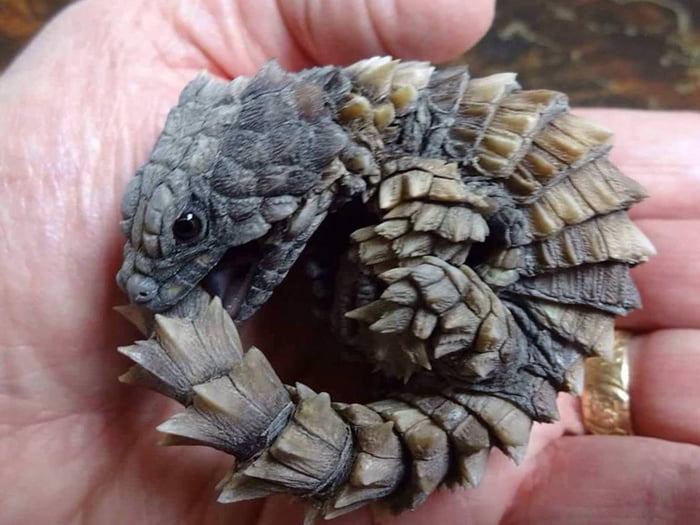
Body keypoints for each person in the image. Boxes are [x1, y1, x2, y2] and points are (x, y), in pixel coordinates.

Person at [0, 0, 698, 523]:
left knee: (420, 218)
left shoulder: (368, 154)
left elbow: (430, 215)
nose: (143, 288)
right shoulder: (327, 139)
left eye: (192, 225)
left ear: (292, 161)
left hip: (516, 312)